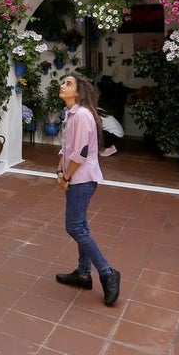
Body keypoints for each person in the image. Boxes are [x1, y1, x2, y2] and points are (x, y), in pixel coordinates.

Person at [54, 72, 122, 306]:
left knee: (74, 227)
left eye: (68, 84)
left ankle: (107, 272)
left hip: (82, 178)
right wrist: (59, 172)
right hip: (74, 177)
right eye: (63, 82)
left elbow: (80, 153)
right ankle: (83, 274)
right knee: (80, 224)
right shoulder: (70, 114)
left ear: (79, 92)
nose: (63, 86)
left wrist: (67, 176)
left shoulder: (82, 115)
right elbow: (65, 147)